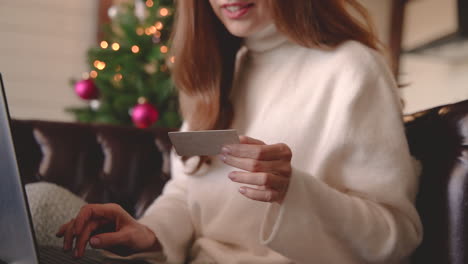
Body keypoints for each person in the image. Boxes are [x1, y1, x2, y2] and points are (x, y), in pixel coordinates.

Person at [56, 0, 423, 263]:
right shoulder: (221, 72)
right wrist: (149, 233)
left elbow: (396, 235)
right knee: (41, 205)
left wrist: (292, 191)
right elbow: (186, 193)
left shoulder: (352, 69)